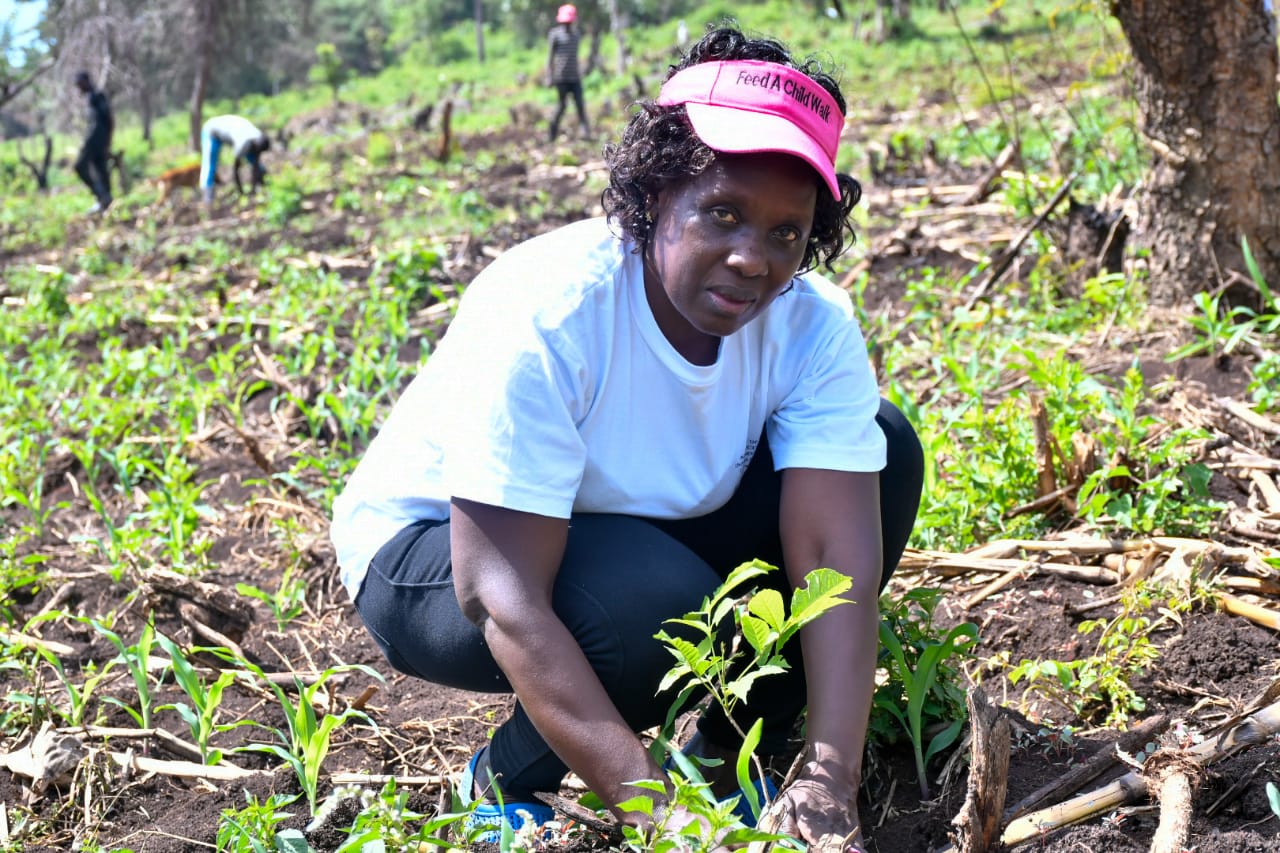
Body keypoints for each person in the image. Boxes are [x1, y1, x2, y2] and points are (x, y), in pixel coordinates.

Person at [330, 24, 924, 852]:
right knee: (657, 605)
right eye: (723, 213)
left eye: (787, 232)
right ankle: (505, 775)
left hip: (629, 524)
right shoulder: (554, 311)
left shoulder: (810, 327)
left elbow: (835, 565)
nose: (754, 258)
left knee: (882, 454)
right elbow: (501, 600)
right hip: (438, 553)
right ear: (654, 191)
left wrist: (831, 776)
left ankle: (724, 754)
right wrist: (664, 819)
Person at [199, 114, 270, 203]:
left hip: (233, 129)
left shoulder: (259, 137)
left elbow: (256, 162)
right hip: (211, 131)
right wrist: (240, 191)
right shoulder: (242, 143)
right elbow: (236, 169)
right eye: (257, 152)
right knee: (210, 164)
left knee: (256, 164)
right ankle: (207, 196)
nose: (258, 154)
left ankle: (264, 183)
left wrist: (253, 189)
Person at [546, 3, 590, 142]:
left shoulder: (576, 35)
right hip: (561, 78)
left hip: (575, 77)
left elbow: (575, 57)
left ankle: (586, 134)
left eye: (569, 22)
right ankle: (552, 132)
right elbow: (550, 58)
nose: (567, 25)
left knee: (580, 105)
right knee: (562, 105)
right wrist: (549, 77)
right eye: (565, 22)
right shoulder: (555, 35)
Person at [73, 71, 113, 214]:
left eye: (79, 83)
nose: (78, 87)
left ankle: (102, 196)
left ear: (86, 81)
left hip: (96, 140)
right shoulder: (91, 97)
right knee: (100, 168)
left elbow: (107, 120)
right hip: (97, 140)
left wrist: (106, 142)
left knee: (79, 166)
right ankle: (104, 201)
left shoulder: (97, 96)